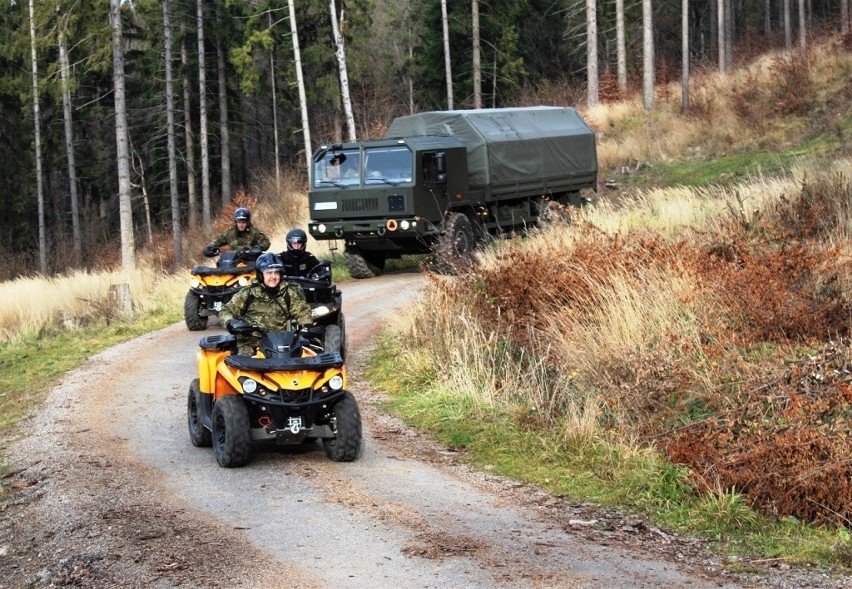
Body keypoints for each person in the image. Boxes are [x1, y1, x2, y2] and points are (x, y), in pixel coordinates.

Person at [219, 252, 313, 356]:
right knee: (244, 365)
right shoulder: (247, 293)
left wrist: (305, 325)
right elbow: (226, 310)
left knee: (305, 361)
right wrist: (231, 323)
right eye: (269, 273)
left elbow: (302, 311)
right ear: (260, 275)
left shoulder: (289, 292)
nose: (273, 277)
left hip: (282, 343)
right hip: (252, 342)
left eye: (277, 272)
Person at [203, 207, 271, 257]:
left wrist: (256, 248)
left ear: (247, 222)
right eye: (239, 222)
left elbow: (266, 242)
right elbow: (217, 241)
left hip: (250, 262)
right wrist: (211, 248)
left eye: (243, 222)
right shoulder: (229, 233)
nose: (241, 225)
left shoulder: (254, 232)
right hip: (232, 262)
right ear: (236, 222)